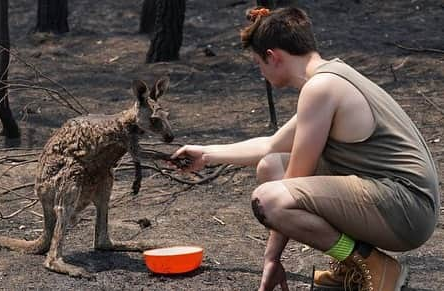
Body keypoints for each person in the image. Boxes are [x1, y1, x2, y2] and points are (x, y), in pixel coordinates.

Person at [171, 7, 440, 291]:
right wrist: (207, 154)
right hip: (400, 202)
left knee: (269, 199)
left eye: (258, 64)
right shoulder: (332, 76)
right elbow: (272, 146)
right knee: (271, 165)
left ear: (273, 57)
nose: (260, 72)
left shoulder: (320, 88)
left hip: (406, 211)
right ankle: (352, 266)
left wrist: (271, 258)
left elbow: (291, 185)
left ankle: (372, 263)